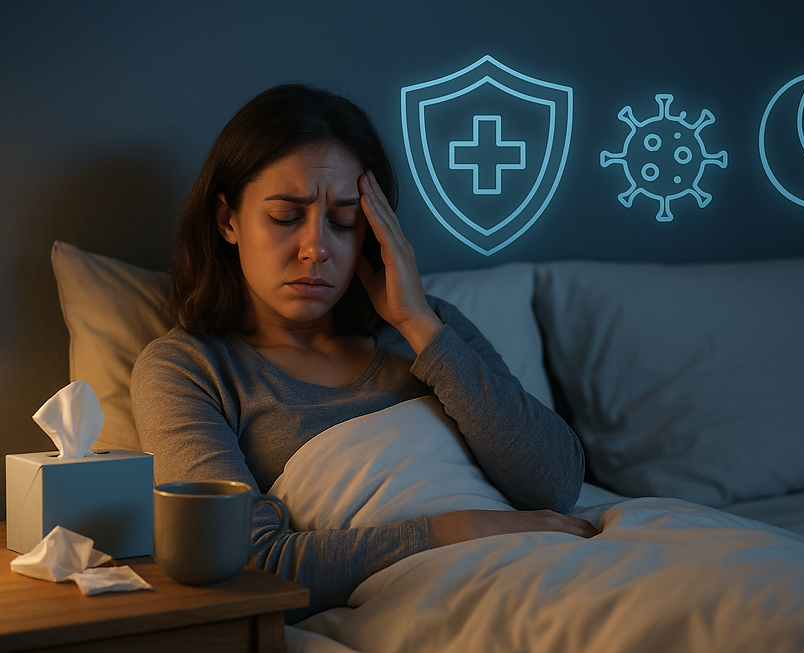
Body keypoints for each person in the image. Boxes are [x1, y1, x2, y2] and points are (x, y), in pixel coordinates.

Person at [130, 83, 596, 622]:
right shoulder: (189, 371)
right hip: (437, 596)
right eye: (285, 217)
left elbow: (556, 486)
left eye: (345, 221)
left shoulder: (429, 326)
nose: (317, 249)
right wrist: (455, 530)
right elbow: (245, 562)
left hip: (552, 566)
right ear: (227, 220)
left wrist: (418, 322)